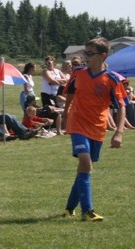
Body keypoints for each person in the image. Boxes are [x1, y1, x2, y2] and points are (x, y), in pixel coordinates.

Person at [62, 37, 126, 221]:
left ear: (103, 56)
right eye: (84, 52)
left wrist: (119, 132)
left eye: (90, 54)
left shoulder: (112, 79)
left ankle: (69, 208)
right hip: (77, 124)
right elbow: (71, 92)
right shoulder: (78, 73)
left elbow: (120, 107)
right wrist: (67, 112)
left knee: (83, 168)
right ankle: (87, 212)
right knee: (85, 163)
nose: (85, 56)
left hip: (98, 129)